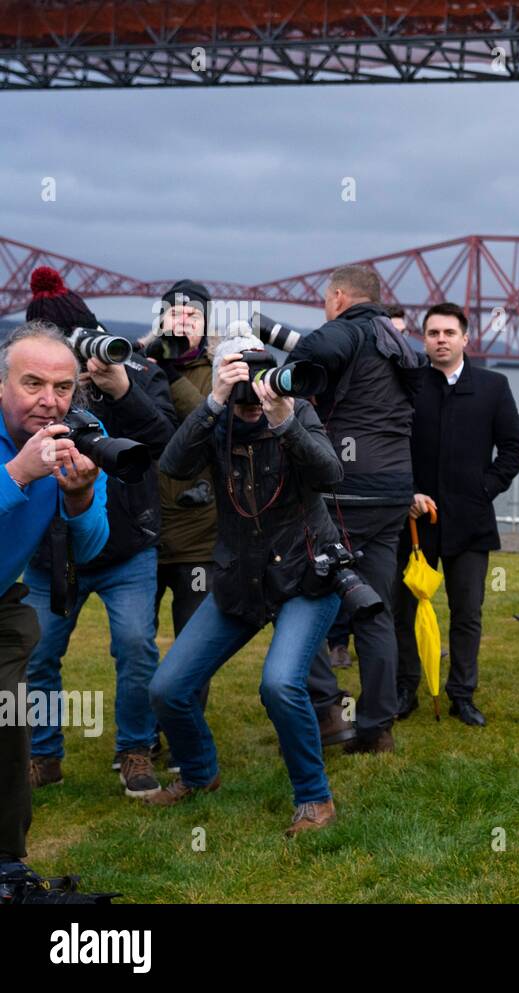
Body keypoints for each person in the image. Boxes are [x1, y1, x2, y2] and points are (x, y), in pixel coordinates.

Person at [146, 337, 344, 836]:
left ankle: (315, 800)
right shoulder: (216, 421)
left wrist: (285, 421)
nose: (252, 391)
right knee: (168, 688)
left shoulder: (295, 410)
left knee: (279, 684)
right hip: (240, 578)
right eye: (239, 376)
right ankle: (198, 775)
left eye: (259, 374)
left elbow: (330, 473)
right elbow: (171, 467)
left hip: (305, 574)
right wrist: (212, 401)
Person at [21, 268, 178, 797]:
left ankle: (135, 749)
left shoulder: (132, 371)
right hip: (50, 553)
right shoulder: (28, 394)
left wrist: (123, 388)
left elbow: (167, 444)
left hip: (126, 546)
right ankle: (43, 754)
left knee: (135, 647)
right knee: (38, 653)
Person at [292, 266, 426, 753]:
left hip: (346, 491)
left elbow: (306, 356)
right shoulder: (401, 342)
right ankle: (377, 727)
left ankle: (326, 709)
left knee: (297, 594)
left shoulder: (347, 329)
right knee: (375, 608)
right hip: (393, 491)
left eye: (326, 302)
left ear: (340, 298)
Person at [0, 322, 108, 883]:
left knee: (7, 722)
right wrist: (19, 472)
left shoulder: (78, 435)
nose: (49, 401)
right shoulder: (24, 451)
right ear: (1, 386)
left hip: (2, 605)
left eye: (63, 387)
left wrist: (79, 492)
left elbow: (90, 547)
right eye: (33, 383)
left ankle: (6, 863)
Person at [394, 302, 519, 724]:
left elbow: (514, 449)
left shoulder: (493, 386)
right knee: (406, 607)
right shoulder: (408, 384)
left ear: (465, 338)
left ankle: (462, 695)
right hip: (414, 520)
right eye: (433, 333)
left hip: (470, 522)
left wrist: (482, 490)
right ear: (424, 339)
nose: (441, 340)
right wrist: (406, 492)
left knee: (467, 612)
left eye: (449, 333)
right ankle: (404, 688)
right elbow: (390, 443)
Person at [147, 280, 217, 642]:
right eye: (175, 312)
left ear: (206, 325)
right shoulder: (137, 367)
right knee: (136, 641)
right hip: (146, 533)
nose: (184, 321)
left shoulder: (223, 371)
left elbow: (210, 426)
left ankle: (187, 703)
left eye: (194, 315)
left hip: (199, 539)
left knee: (192, 645)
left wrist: (170, 375)